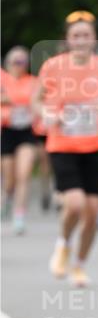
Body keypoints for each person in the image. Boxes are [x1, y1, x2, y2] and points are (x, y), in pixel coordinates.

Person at [33, 10, 98, 287]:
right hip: (62, 144)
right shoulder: (52, 66)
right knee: (74, 203)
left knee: (92, 210)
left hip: (95, 145)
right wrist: (47, 114)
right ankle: (63, 244)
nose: (81, 40)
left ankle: (80, 265)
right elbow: (36, 100)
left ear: (94, 39)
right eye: (76, 35)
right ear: (67, 39)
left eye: (86, 35)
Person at [1, 47, 39, 235]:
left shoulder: (32, 81)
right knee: (9, 180)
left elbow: (37, 100)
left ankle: (19, 215)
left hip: (26, 132)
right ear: (8, 63)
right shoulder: (3, 79)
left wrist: (12, 98)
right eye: (16, 62)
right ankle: (7, 197)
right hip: (6, 131)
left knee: (23, 174)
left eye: (23, 62)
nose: (20, 66)